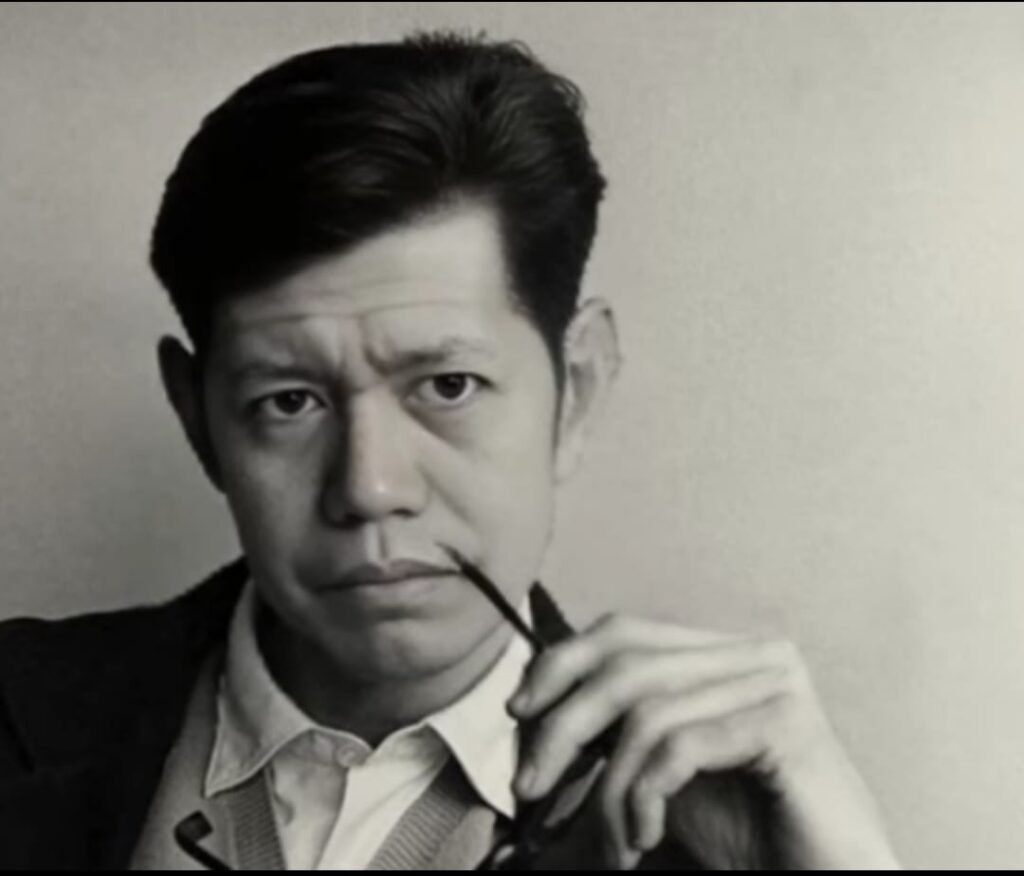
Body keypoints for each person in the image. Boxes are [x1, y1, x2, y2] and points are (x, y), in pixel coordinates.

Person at [0, 32, 900, 870]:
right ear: (199, 421)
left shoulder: (724, 834)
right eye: (290, 401)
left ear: (576, 389)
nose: (370, 487)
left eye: (448, 386)